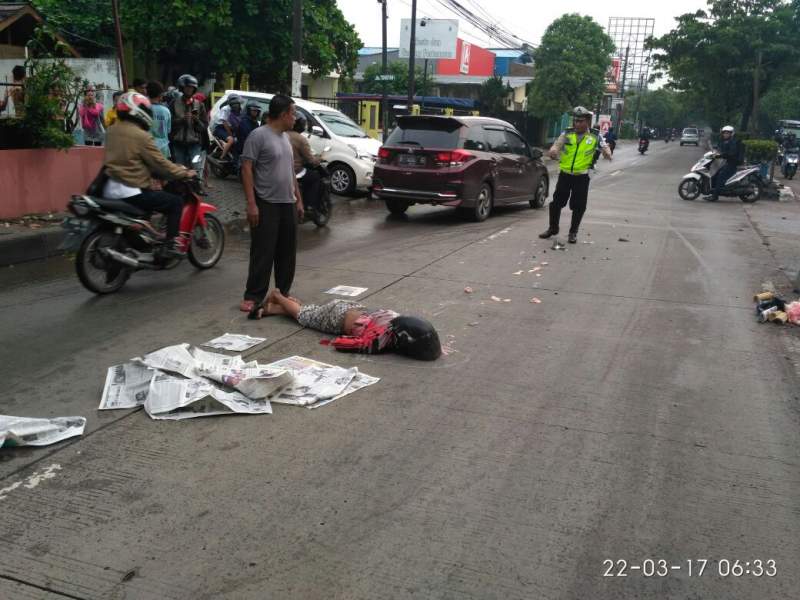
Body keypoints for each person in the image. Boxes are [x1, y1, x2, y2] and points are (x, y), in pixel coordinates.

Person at [102, 92, 196, 257]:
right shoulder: (141, 136)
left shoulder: (112, 130)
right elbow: (160, 163)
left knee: (153, 202)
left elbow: (130, 158)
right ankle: (170, 245)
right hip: (131, 191)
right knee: (175, 202)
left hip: (108, 187)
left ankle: (145, 240)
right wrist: (183, 172)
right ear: (138, 111)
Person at [239, 94, 304, 313]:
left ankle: (282, 294)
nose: (294, 118)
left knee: (287, 252)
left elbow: (290, 173)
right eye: (293, 113)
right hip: (266, 202)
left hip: (287, 202)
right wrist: (251, 204)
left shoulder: (285, 138)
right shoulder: (258, 136)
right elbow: (246, 168)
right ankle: (253, 295)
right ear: (284, 114)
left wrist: (299, 200)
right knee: (263, 251)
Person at [249, 290, 442, 361]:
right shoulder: (379, 340)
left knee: (311, 313)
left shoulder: (391, 318)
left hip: (350, 308)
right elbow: (343, 344)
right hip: (337, 318)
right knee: (304, 316)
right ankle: (278, 296)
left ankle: (270, 310)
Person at [540, 106, 612, 244]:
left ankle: (573, 233)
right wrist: (553, 151)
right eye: (576, 121)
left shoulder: (595, 136)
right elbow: (556, 145)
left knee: (578, 206)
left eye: (581, 121)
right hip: (565, 175)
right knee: (556, 203)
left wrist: (607, 152)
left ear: (587, 122)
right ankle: (553, 228)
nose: (577, 124)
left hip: (582, 177)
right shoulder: (567, 133)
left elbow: (604, 146)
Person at [169, 73, 208, 168]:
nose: (189, 90)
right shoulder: (174, 103)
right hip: (178, 143)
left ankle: (198, 183)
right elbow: (169, 124)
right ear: (182, 88)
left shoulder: (200, 105)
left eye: (191, 88)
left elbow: (204, 126)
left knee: (197, 169)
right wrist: (181, 120)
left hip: (195, 144)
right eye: (187, 87)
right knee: (179, 170)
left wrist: (196, 120)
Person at [288, 115, 322, 211]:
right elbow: (310, 160)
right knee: (315, 177)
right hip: (296, 171)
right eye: (304, 124)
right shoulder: (300, 139)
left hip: (283, 170)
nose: (304, 126)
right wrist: (318, 159)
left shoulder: (283, 134)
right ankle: (310, 205)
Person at [706, 125, 743, 201]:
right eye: (724, 133)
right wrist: (714, 152)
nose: (725, 134)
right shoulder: (725, 141)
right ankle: (713, 192)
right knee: (714, 176)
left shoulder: (734, 142)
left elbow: (731, 153)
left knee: (720, 177)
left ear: (731, 134)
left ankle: (715, 196)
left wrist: (720, 155)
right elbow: (719, 147)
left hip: (733, 163)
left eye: (727, 133)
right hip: (728, 162)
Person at [211, 94, 243, 160]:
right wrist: (230, 134)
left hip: (229, 128)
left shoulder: (239, 111)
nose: (237, 105)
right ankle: (222, 157)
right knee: (231, 140)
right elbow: (224, 122)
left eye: (238, 103)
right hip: (220, 128)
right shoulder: (226, 109)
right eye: (236, 103)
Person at [147, 81, 171, 159]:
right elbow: (168, 130)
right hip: (163, 149)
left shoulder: (143, 109)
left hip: (147, 148)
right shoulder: (166, 111)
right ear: (160, 95)